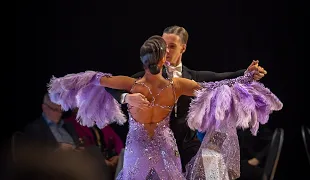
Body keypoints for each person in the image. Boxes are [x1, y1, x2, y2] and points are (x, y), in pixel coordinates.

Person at [47, 35, 283, 179]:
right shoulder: (175, 86)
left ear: (143, 61)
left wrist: (64, 84)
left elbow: (96, 79)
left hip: (138, 147)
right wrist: (244, 79)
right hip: (164, 147)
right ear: (163, 61)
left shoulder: (132, 84)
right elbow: (214, 86)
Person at [104, 25, 267, 170]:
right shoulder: (147, 77)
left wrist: (246, 74)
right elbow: (109, 85)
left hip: (187, 143)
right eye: (163, 46)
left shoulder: (191, 77)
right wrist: (127, 97)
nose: (166, 51)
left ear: (183, 48)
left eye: (172, 46)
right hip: (155, 146)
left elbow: (220, 78)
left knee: (212, 167)